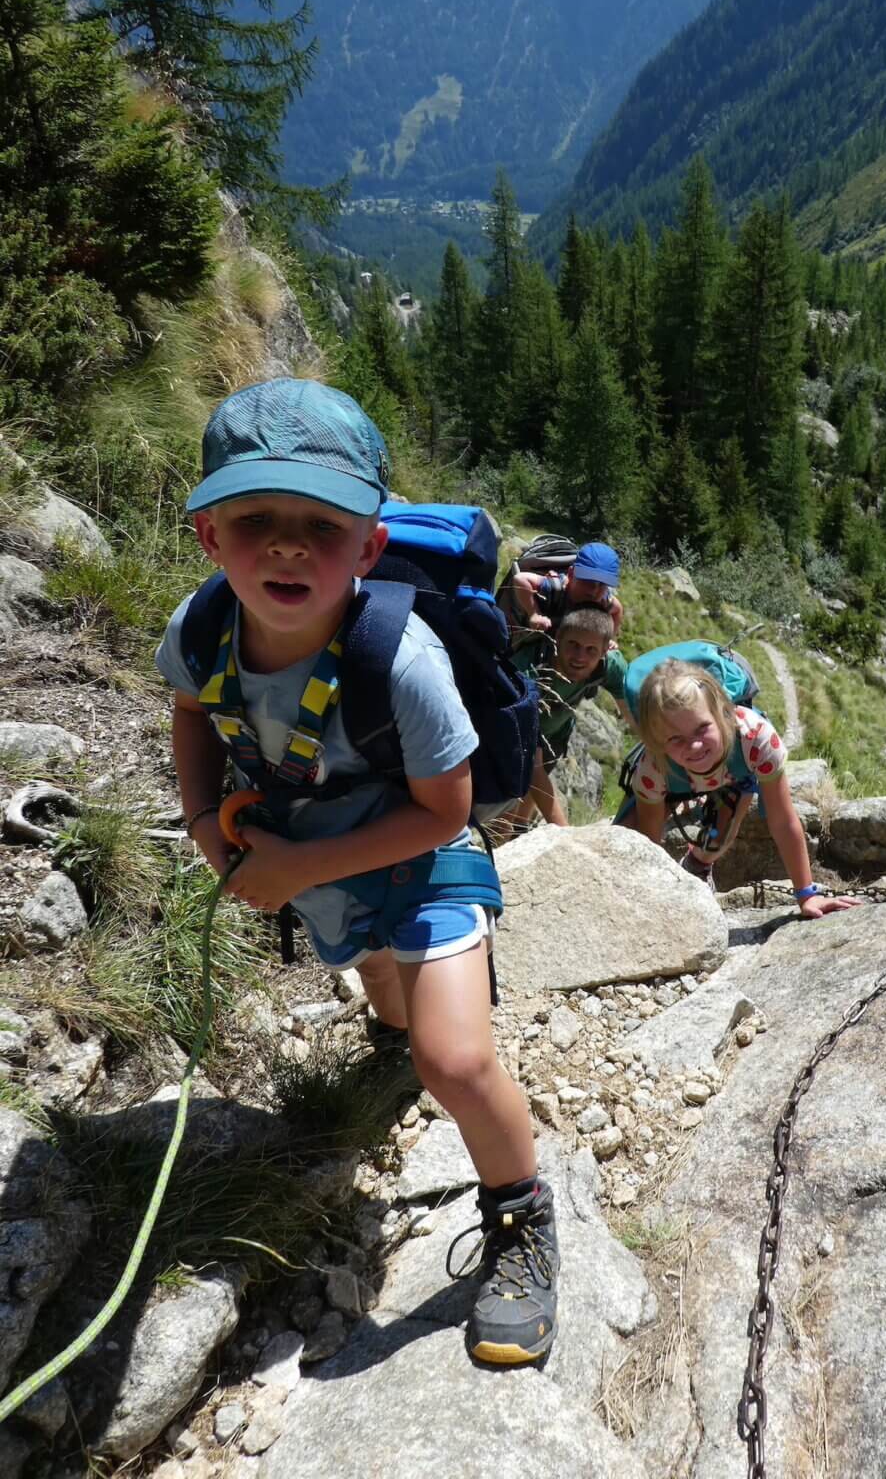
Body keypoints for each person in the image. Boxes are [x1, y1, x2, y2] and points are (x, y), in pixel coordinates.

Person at [154, 378, 558, 1367]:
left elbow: (447, 810)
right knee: (377, 972)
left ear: (368, 546)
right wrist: (213, 830)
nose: (286, 544)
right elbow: (190, 714)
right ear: (210, 534)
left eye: (319, 524)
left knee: (454, 1058)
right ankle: (390, 1038)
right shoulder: (201, 631)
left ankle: (523, 1216)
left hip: (423, 855)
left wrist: (291, 863)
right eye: (257, 519)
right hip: (316, 852)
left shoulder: (402, 659)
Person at [625, 658, 860, 914]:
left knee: (720, 838)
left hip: (731, 775)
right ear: (657, 741)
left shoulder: (755, 739)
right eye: (675, 738)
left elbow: (782, 819)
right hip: (672, 780)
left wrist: (806, 895)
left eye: (702, 728)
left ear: (723, 713)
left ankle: (697, 865)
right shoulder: (653, 766)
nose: (693, 745)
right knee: (621, 848)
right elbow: (648, 844)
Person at [506, 606, 633, 828]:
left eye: (591, 650)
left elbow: (635, 715)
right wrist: (567, 836)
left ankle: (520, 827)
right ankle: (503, 841)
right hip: (512, 735)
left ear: (605, 652)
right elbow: (532, 768)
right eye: (573, 645)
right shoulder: (529, 671)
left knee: (528, 799)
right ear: (558, 639)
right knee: (509, 801)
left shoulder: (610, 666)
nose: (579, 657)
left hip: (556, 733)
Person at [508, 541, 624, 643]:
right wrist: (534, 614)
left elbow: (618, 609)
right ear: (571, 574)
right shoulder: (555, 588)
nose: (593, 591)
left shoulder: (603, 600)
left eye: (602, 584)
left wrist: (608, 639)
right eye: (588, 581)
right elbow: (520, 579)